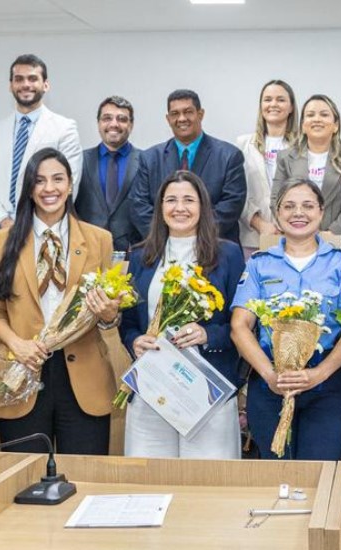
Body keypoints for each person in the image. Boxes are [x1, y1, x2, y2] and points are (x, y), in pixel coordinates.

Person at [0, 148, 121, 455]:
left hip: (84, 377)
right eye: (39, 180)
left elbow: (109, 314)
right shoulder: (1, 242)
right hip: (22, 371)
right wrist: (17, 344)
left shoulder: (100, 239)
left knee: (85, 480)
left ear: (70, 185)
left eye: (58, 179)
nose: (49, 188)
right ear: (30, 188)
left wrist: (110, 315)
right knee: (22, 480)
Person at [232, 181, 341, 460]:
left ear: (321, 211)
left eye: (307, 206)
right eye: (288, 206)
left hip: (327, 385)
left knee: (320, 473)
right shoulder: (259, 263)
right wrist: (269, 375)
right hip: (270, 384)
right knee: (277, 475)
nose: (298, 213)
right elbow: (240, 326)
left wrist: (319, 373)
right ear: (277, 213)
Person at [120, 171, 244, 458]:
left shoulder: (228, 254)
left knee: (206, 486)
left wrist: (207, 334)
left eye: (189, 200)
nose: (180, 208)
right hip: (151, 386)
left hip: (207, 390)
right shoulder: (140, 256)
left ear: (203, 207)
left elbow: (243, 325)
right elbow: (127, 323)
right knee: (148, 483)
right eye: (171, 200)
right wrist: (135, 341)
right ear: (160, 208)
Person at [0, 54, 84, 233]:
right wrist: (3, 221)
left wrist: (34, 224)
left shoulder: (64, 128)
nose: (25, 84)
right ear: (11, 86)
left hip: (45, 231)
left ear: (46, 85)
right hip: (0, 232)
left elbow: (69, 183)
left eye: (33, 78)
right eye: (19, 79)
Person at [130, 89, 248, 244]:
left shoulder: (229, 156)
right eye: (175, 114)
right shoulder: (149, 158)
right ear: (168, 118)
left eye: (188, 112)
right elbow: (138, 205)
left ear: (200, 114)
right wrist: (171, 237)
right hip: (162, 248)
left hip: (215, 249)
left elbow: (231, 206)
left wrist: (193, 236)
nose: (182, 118)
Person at [272, 94, 341, 235]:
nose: (317, 119)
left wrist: (331, 232)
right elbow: (276, 201)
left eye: (324, 115)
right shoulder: (285, 157)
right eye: (310, 115)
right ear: (303, 126)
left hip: (336, 240)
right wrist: (298, 230)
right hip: (296, 238)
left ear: (336, 125)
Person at [74, 96, 144, 253]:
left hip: (132, 252)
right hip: (87, 249)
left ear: (131, 125)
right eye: (107, 118)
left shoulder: (147, 161)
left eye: (122, 119)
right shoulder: (79, 160)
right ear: (98, 123)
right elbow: (70, 205)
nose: (114, 124)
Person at [235, 80, 298, 252]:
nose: (273, 104)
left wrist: (289, 224)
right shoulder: (242, 144)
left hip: (294, 237)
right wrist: (260, 224)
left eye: (280, 99)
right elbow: (238, 192)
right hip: (253, 237)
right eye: (268, 99)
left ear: (291, 107)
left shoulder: (303, 146)